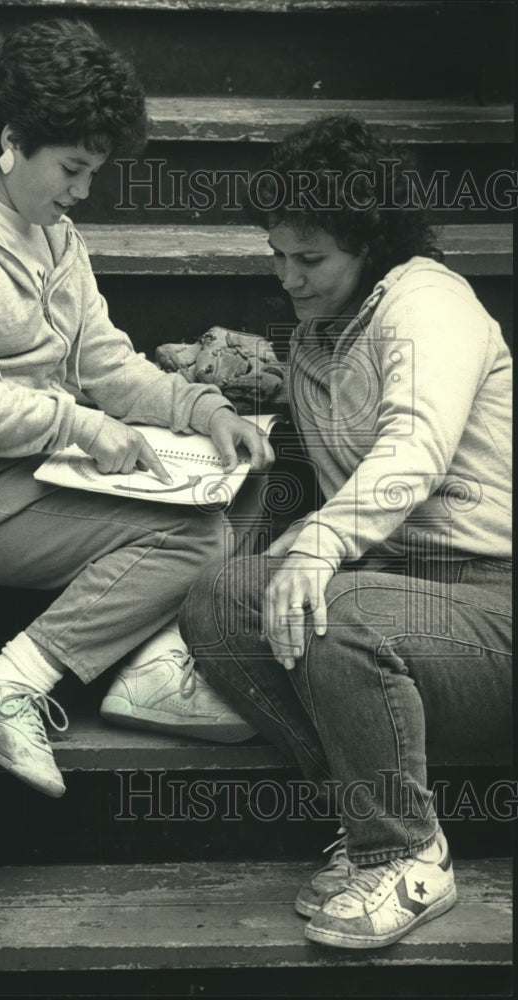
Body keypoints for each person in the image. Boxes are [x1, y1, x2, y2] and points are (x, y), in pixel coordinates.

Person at [0, 19, 274, 798]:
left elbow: (106, 364)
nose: (82, 191)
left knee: (242, 478)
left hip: (30, 469)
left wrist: (201, 408)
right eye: (73, 168)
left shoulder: (55, 236)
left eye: (93, 172)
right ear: (11, 141)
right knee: (193, 539)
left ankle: (152, 667)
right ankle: (5, 685)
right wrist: (77, 424)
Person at [180, 114, 512, 949]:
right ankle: (363, 812)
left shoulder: (428, 305)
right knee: (220, 597)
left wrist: (320, 544)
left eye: (310, 259)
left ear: (368, 244)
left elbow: (413, 446)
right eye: (277, 255)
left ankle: (408, 854)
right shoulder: (315, 339)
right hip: (397, 592)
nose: (287, 277)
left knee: (336, 610)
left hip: (492, 604)